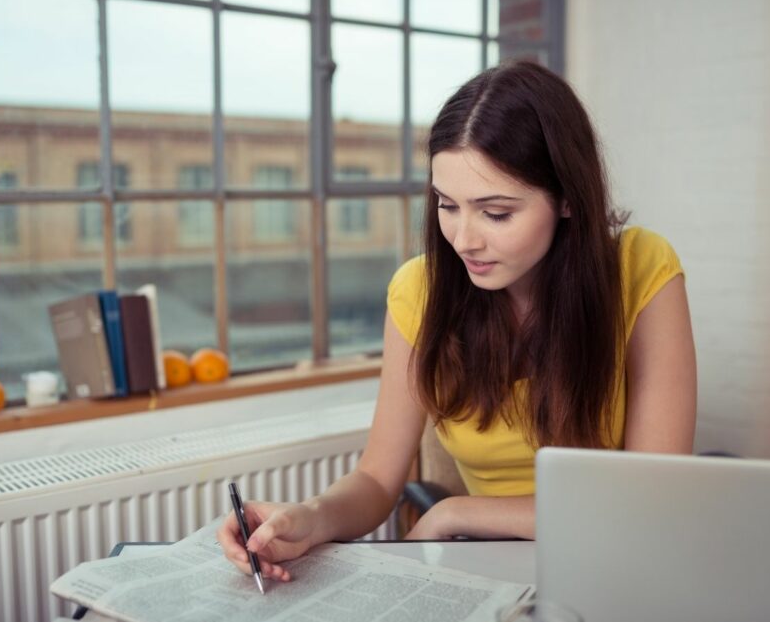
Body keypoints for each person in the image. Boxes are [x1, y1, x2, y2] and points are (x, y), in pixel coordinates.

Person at [217, 61, 696, 583]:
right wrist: (310, 517)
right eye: (448, 205)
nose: (464, 239)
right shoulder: (418, 291)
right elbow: (378, 478)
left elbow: (653, 495)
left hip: (618, 562)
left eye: (496, 213)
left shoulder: (641, 269)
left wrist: (457, 512)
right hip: (492, 573)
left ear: (565, 200)